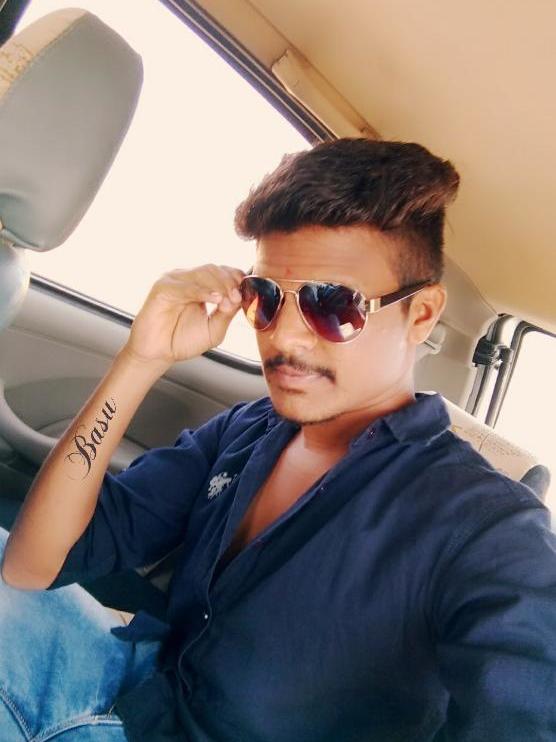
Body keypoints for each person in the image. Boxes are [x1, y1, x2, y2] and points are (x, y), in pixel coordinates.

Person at [1, 138, 555, 741]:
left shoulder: (485, 527)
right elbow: (31, 565)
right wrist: (142, 359)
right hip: (132, 691)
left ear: (420, 314)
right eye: (264, 298)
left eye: (333, 304)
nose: (283, 337)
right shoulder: (247, 431)